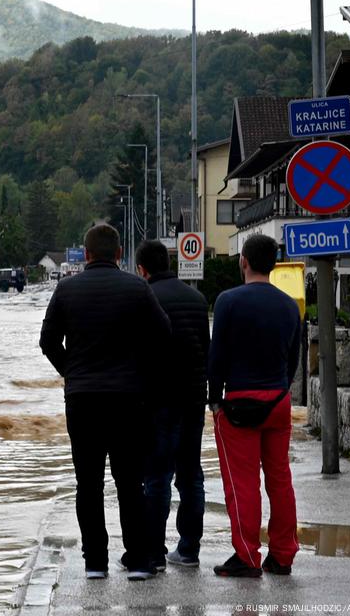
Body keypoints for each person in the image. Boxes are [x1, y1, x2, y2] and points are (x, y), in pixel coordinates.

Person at [39, 224, 170, 581]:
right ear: (118, 254)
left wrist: (72, 371)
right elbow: (164, 334)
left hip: (82, 401)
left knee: (88, 483)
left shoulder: (66, 289)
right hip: (129, 400)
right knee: (130, 481)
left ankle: (95, 560)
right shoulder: (138, 288)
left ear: (85, 254)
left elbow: (47, 341)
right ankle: (140, 560)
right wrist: (138, 371)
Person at [207, 234, 300, 578]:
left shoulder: (228, 301)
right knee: (280, 479)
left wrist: (215, 399)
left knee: (242, 483)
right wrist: (281, 388)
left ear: (243, 261)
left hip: (239, 403)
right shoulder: (290, 305)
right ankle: (283, 555)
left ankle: (247, 556)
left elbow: (217, 357)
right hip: (278, 400)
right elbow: (294, 359)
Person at [134, 240, 209, 571]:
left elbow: (136, 355)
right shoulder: (197, 299)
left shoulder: (144, 299)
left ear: (142, 270)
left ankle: (154, 552)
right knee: (191, 476)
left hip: (158, 402)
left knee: (157, 478)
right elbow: (205, 351)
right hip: (193, 400)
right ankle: (189, 550)